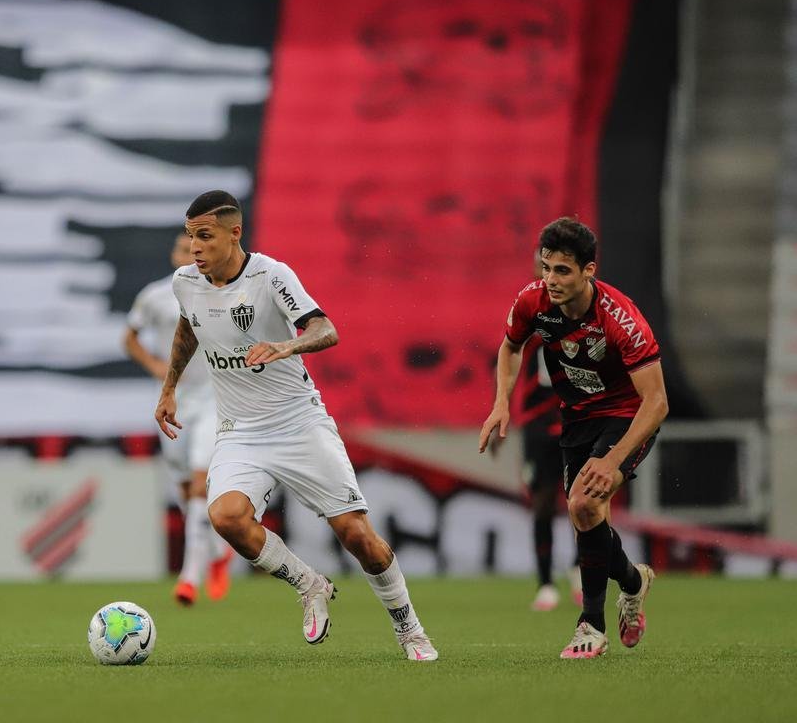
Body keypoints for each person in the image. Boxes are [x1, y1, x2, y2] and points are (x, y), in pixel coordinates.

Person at [155, 191, 437, 661]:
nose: (195, 248)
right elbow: (189, 328)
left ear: (234, 233)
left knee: (356, 535)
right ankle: (309, 584)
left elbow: (326, 329)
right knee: (224, 516)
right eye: (190, 237)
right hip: (240, 430)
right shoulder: (186, 282)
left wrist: (288, 347)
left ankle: (409, 628)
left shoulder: (271, 275)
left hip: (299, 423)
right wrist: (168, 389)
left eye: (204, 236)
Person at [479, 217, 668, 659]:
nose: (550, 280)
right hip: (577, 418)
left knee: (584, 503)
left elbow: (656, 402)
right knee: (584, 514)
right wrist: (501, 402)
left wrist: (614, 460)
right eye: (546, 268)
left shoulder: (622, 319)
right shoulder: (533, 301)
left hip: (626, 415)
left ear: (589, 270)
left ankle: (592, 626)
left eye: (562, 270)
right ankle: (635, 582)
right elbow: (510, 347)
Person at [125, 231, 234, 607]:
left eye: (195, 249)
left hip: (215, 399)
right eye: (183, 249)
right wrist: (156, 366)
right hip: (176, 400)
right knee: (187, 491)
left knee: (202, 484)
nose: (189, 255)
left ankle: (188, 578)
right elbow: (130, 337)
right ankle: (219, 555)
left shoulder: (219, 291)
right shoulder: (155, 296)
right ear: (174, 255)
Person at [514, 334, 582, 611]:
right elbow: (507, 358)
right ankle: (546, 584)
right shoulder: (530, 332)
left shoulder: (585, 328)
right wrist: (501, 409)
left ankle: (580, 568)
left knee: (581, 501)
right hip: (539, 430)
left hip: (575, 423)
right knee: (542, 504)